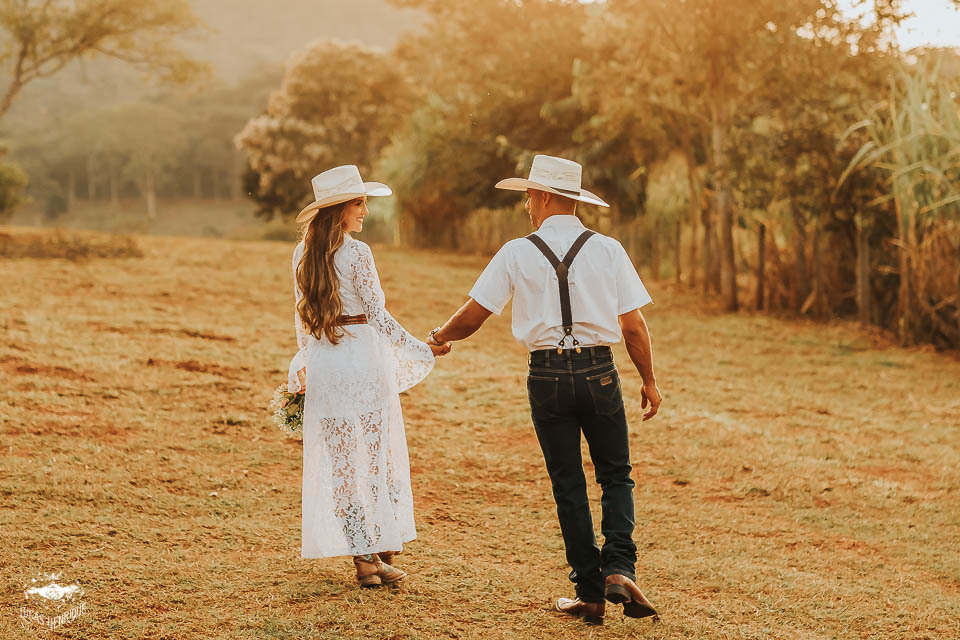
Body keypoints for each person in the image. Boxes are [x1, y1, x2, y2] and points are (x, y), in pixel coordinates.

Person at [425, 155, 662, 625]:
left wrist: (437, 337)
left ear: (547, 197)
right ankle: (619, 568)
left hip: (547, 376)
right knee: (616, 476)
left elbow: (474, 314)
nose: (527, 206)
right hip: (599, 372)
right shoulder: (608, 249)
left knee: (568, 482)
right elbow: (633, 325)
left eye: (530, 197)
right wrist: (649, 380)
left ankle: (589, 592)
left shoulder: (516, 252)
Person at [286, 165, 450, 588]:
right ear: (339, 209)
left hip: (326, 361)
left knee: (343, 465)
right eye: (359, 203)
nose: (365, 211)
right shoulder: (358, 253)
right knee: (375, 460)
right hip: (361, 359)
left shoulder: (302, 253)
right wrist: (421, 347)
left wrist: (305, 362)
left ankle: (365, 560)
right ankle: (379, 548)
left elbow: (301, 320)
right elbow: (378, 316)